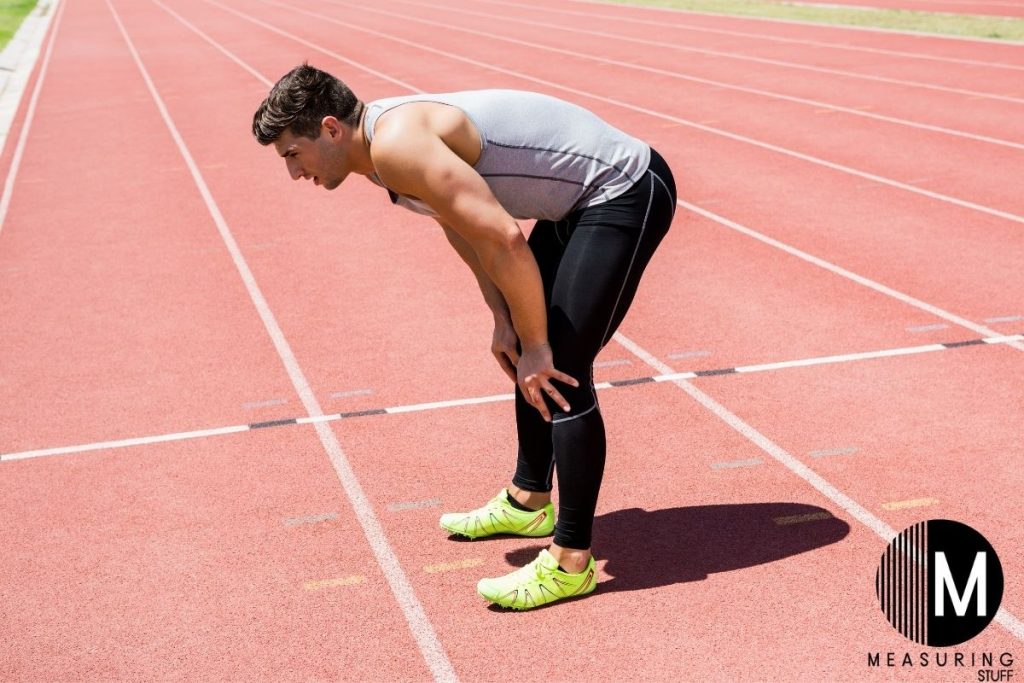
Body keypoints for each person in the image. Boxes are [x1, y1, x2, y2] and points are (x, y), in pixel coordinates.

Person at [252, 63, 676, 610]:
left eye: (293, 154)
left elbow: (503, 236)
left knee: (561, 369)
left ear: (331, 128)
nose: (293, 172)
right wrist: (502, 316)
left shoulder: (397, 146)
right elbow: (458, 222)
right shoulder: (381, 154)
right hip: (573, 203)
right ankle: (528, 499)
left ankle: (572, 561)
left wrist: (539, 345)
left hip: (622, 187)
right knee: (526, 344)